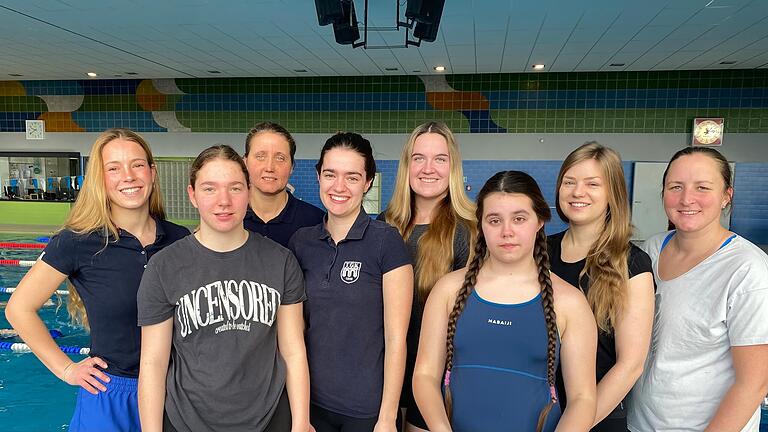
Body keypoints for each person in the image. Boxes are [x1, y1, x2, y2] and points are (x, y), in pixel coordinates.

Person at [5, 128, 189, 432]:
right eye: (113, 168)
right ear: (99, 179)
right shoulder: (77, 242)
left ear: (152, 173)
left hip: (175, 391)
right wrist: (66, 368)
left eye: (137, 165)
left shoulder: (179, 240)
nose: (128, 176)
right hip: (111, 394)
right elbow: (18, 308)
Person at [137, 145, 311, 432]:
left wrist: (301, 422)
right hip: (187, 422)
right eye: (209, 189)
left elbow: (293, 350)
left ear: (249, 192)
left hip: (269, 419)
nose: (224, 201)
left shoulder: (281, 261)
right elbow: (153, 363)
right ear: (192, 195)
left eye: (235, 188)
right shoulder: (164, 267)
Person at [413, 170, 597, 432]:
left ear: (540, 221)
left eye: (519, 219)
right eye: (494, 220)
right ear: (481, 224)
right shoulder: (448, 290)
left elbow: (583, 398)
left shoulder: (569, 303)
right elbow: (425, 375)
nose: (506, 231)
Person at [628, 146, 768, 432]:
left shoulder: (747, 270)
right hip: (643, 424)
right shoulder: (650, 250)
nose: (687, 198)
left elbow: (754, 383)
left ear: (727, 196)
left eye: (702, 187)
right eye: (675, 187)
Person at [289, 132, 413, 432]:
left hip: (366, 411)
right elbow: (294, 333)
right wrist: (299, 415)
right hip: (311, 407)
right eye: (330, 174)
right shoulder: (301, 242)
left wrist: (387, 417)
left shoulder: (386, 242)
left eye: (352, 177)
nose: (339, 187)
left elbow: (397, 340)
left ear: (368, 182)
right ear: (318, 175)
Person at [547, 142, 654, 431]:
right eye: (569, 182)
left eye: (592, 184)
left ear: (613, 194)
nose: (577, 192)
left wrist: (575, 424)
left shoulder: (631, 263)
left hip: (595, 418)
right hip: (537, 411)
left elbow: (630, 364)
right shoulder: (538, 251)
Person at [379, 121, 475, 431]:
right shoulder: (383, 226)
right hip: (382, 373)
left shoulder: (469, 231)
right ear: (407, 165)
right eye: (419, 158)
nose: (428, 168)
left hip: (438, 378)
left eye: (440, 159)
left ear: (453, 167)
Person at [243, 122, 324, 247]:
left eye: (280, 158)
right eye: (260, 156)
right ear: (245, 162)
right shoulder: (229, 218)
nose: (269, 167)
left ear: (292, 167)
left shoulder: (317, 222)